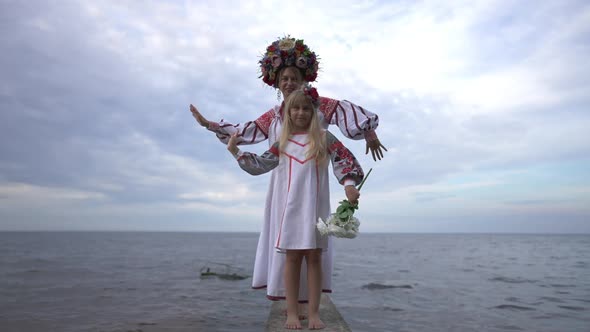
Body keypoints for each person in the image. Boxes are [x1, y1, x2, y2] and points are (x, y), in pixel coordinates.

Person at [189, 36, 385, 307]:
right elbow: (245, 132)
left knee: (313, 247)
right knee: (289, 248)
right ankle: (290, 304)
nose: (289, 83)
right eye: (284, 79)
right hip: (283, 186)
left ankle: (311, 305)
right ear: (277, 83)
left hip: (314, 185)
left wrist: (369, 134)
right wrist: (210, 125)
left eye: (294, 77)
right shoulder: (274, 115)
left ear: (304, 78)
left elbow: (345, 117)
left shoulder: (318, 105)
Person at [227, 87, 364, 329]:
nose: (301, 112)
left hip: (316, 208)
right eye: (295, 108)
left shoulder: (323, 137)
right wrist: (236, 151)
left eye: (306, 108)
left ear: (314, 112)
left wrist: (350, 185)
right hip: (290, 209)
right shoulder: (282, 142)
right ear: (288, 113)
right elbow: (260, 164)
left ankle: (313, 313)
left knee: (314, 258)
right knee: (291, 258)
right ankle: (291, 312)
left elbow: (345, 160)